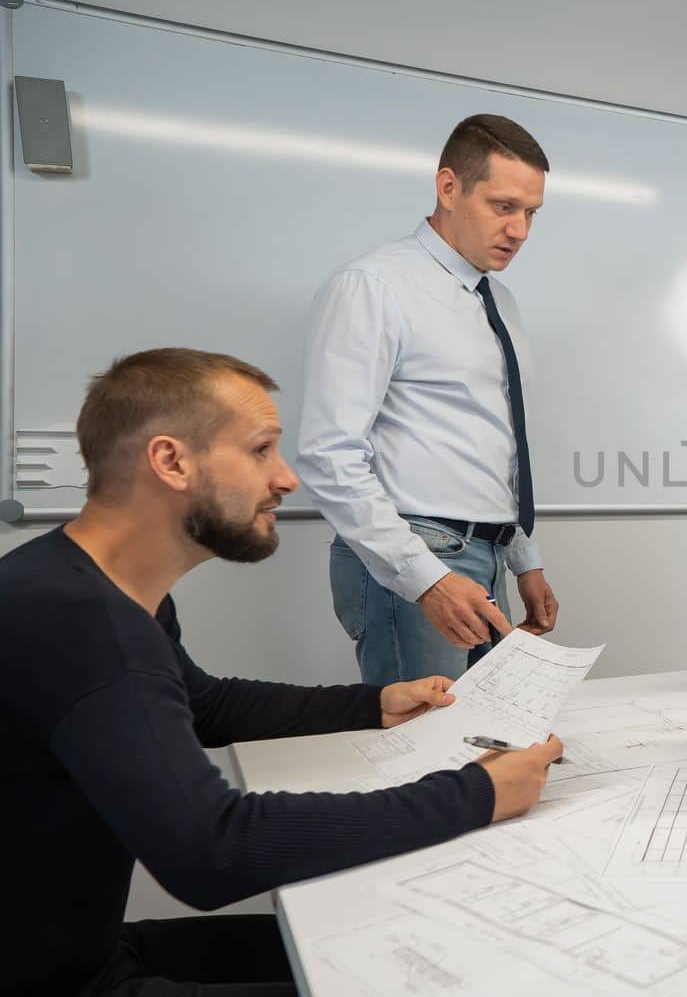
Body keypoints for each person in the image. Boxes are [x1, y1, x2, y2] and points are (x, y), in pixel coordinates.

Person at [0, 349, 564, 996]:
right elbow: (212, 851)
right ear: (171, 461)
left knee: (398, 939)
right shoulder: (83, 624)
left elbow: (204, 704)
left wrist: (374, 702)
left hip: (81, 954)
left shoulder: (79, 585)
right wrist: (477, 794)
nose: (287, 477)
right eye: (262, 449)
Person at [298, 113, 559, 685]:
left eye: (531, 212)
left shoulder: (500, 301)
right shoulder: (375, 287)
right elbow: (328, 454)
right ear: (448, 188)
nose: (519, 230)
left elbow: (498, 440)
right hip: (418, 551)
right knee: (423, 748)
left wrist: (523, 560)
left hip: (487, 552)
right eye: (503, 206)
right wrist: (427, 577)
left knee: (493, 745)